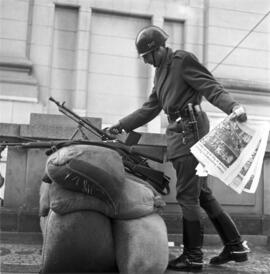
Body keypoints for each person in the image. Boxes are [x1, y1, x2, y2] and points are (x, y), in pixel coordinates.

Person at [108, 25, 250, 271]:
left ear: (158, 48)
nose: (146, 62)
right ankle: (235, 246)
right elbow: (150, 108)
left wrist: (233, 106)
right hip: (180, 133)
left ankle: (193, 256)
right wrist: (121, 125)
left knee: (187, 194)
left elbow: (211, 87)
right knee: (201, 193)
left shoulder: (182, 60)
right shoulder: (159, 72)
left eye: (147, 57)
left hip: (191, 132)